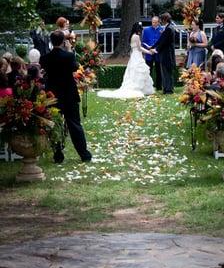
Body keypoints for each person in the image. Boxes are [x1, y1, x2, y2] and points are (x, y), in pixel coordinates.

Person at [40, 30, 92, 163]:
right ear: (63, 41)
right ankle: (84, 154)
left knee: (55, 124)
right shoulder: (68, 56)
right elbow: (75, 67)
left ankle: (58, 154)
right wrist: (69, 50)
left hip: (53, 95)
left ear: (51, 41)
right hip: (69, 94)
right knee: (74, 124)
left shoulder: (45, 58)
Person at [97, 23, 154, 99]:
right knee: (138, 71)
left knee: (134, 71)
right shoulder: (136, 36)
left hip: (134, 55)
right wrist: (149, 52)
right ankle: (138, 88)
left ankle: (141, 88)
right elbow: (140, 48)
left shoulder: (132, 36)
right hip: (137, 55)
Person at [150, 12, 176, 94]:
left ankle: (168, 89)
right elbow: (161, 40)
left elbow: (164, 42)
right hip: (165, 53)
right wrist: (153, 46)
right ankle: (166, 88)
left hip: (167, 54)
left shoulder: (169, 29)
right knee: (164, 72)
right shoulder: (167, 28)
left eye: (161, 20)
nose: (160, 22)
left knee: (166, 72)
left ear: (165, 19)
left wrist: (156, 49)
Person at [141, 16, 163, 90]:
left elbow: (162, 42)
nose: (154, 23)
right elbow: (143, 42)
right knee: (148, 70)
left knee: (158, 70)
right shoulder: (147, 30)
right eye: (153, 22)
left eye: (155, 22)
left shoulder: (162, 30)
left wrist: (156, 49)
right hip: (149, 53)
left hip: (158, 53)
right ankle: (148, 86)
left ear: (158, 22)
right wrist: (149, 48)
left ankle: (159, 86)